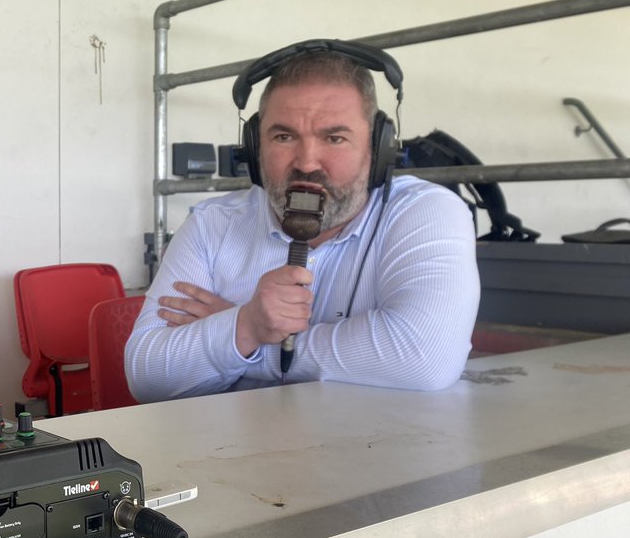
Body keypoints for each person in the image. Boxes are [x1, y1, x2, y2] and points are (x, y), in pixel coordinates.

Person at [126, 41, 480, 402]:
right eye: (284, 136)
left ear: (378, 149)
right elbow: (148, 377)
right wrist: (246, 324)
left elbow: (424, 358)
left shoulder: (426, 213)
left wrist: (251, 339)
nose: (307, 162)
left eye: (335, 137)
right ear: (253, 147)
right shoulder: (211, 224)